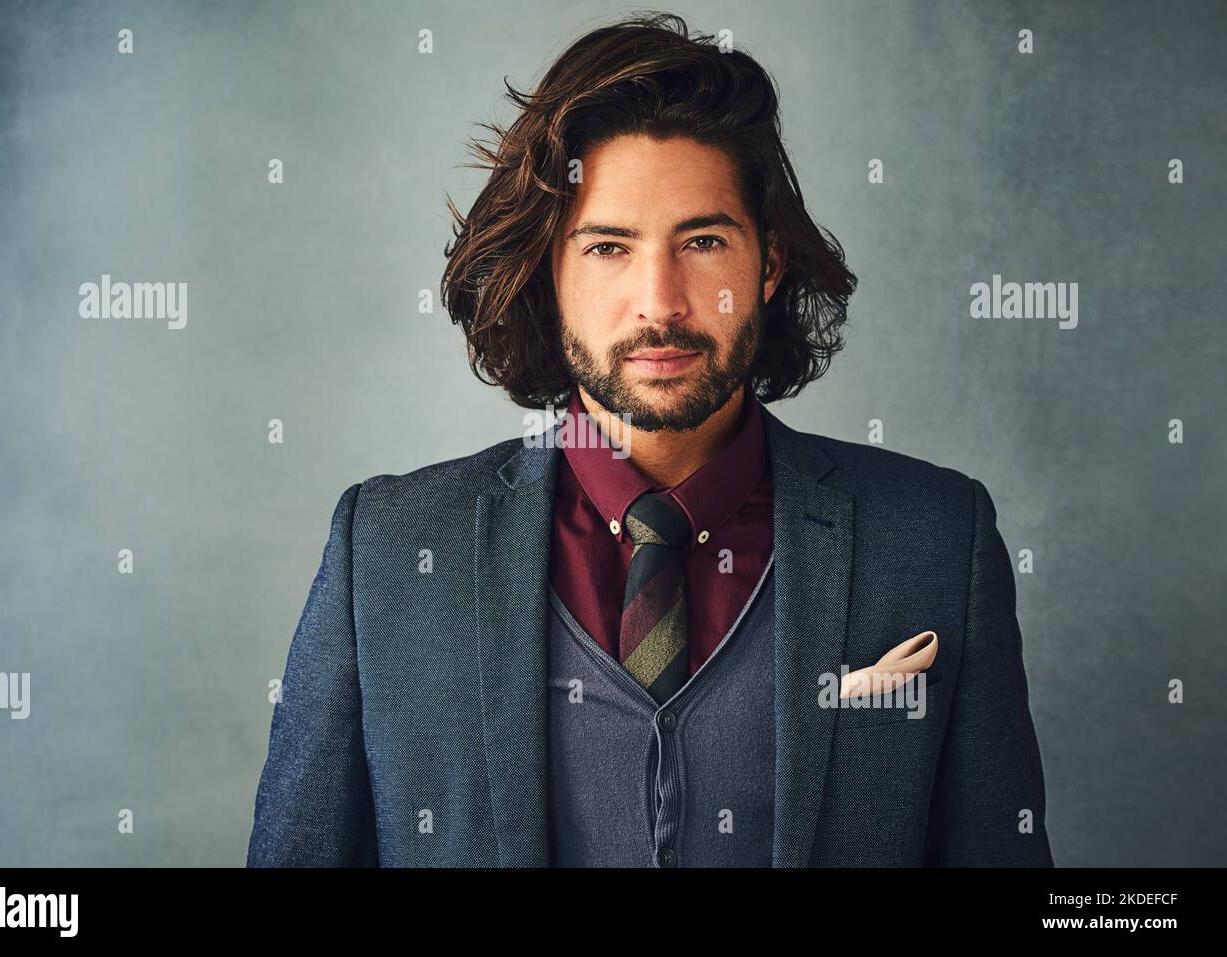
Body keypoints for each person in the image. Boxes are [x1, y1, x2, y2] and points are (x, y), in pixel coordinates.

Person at [247, 12, 1052, 868]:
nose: (659, 302)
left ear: (768, 265)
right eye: (607, 247)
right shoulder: (389, 547)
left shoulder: (934, 537)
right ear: (549, 272)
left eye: (702, 241)